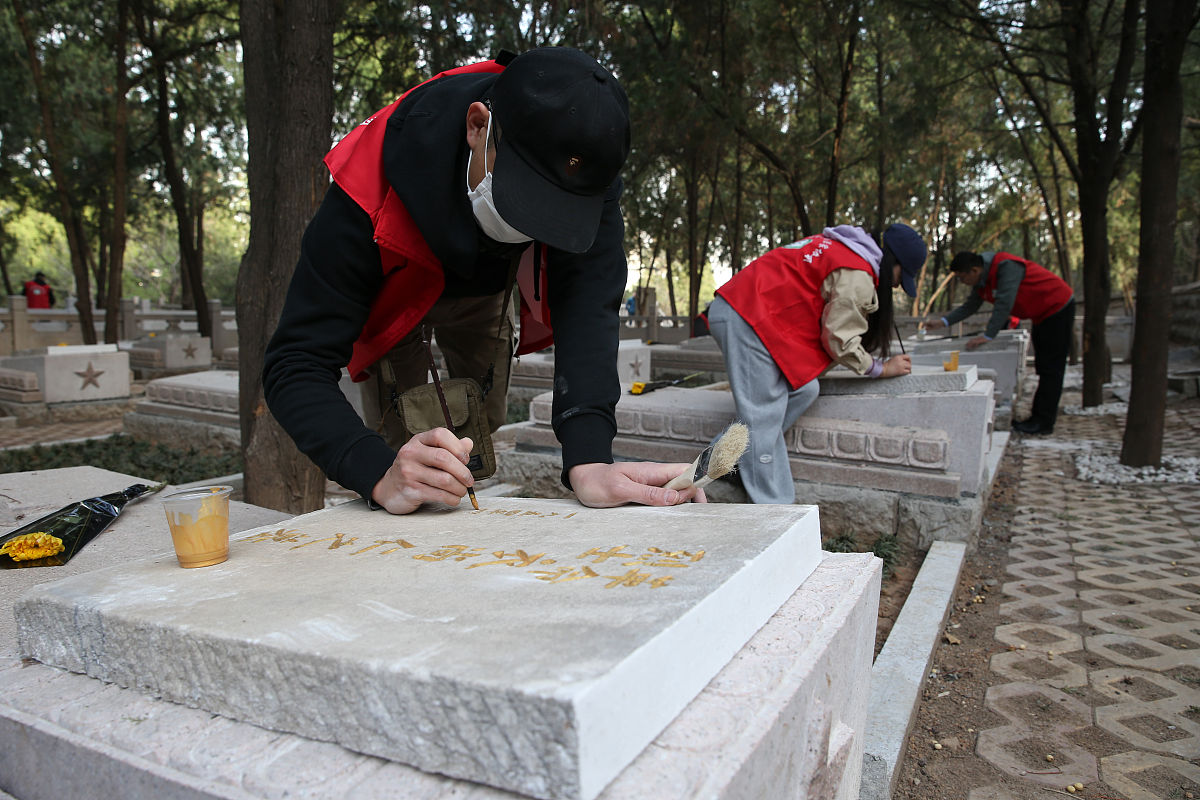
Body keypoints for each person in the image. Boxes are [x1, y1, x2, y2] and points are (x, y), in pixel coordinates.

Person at [263, 46, 704, 515]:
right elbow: (295, 362)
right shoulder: (367, 187)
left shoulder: (591, 176)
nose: (532, 229)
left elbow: (588, 307)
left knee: (475, 428)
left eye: (556, 219)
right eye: (525, 201)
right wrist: (376, 471)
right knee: (406, 451)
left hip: (485, 288)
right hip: (393, 286)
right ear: (478, 127)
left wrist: (590, 460)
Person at [707, 224, 928, 504]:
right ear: (893, 261)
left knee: (805, 388)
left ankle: (723, 456)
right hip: (747, 316)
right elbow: (838, 338)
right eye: (900, 276)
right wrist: (880, 368)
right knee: (763, 415)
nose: (896, 285)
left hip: (750, 314)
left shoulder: (844, 248)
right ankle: (775, 511)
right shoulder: (857, 271)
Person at [924, 250, 1074, 435]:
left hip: (1056, 307)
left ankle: (1043, 423)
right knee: (1044, 367)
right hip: (1041, 315)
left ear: (975, 270)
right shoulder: (982, 281)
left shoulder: (1005, 267)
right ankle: (1038, 418)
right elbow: (970, 306)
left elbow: (1004, 303)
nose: (962, 282)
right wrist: (942, 322)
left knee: (1051, 368)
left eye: (963, 277)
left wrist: (988, 335)